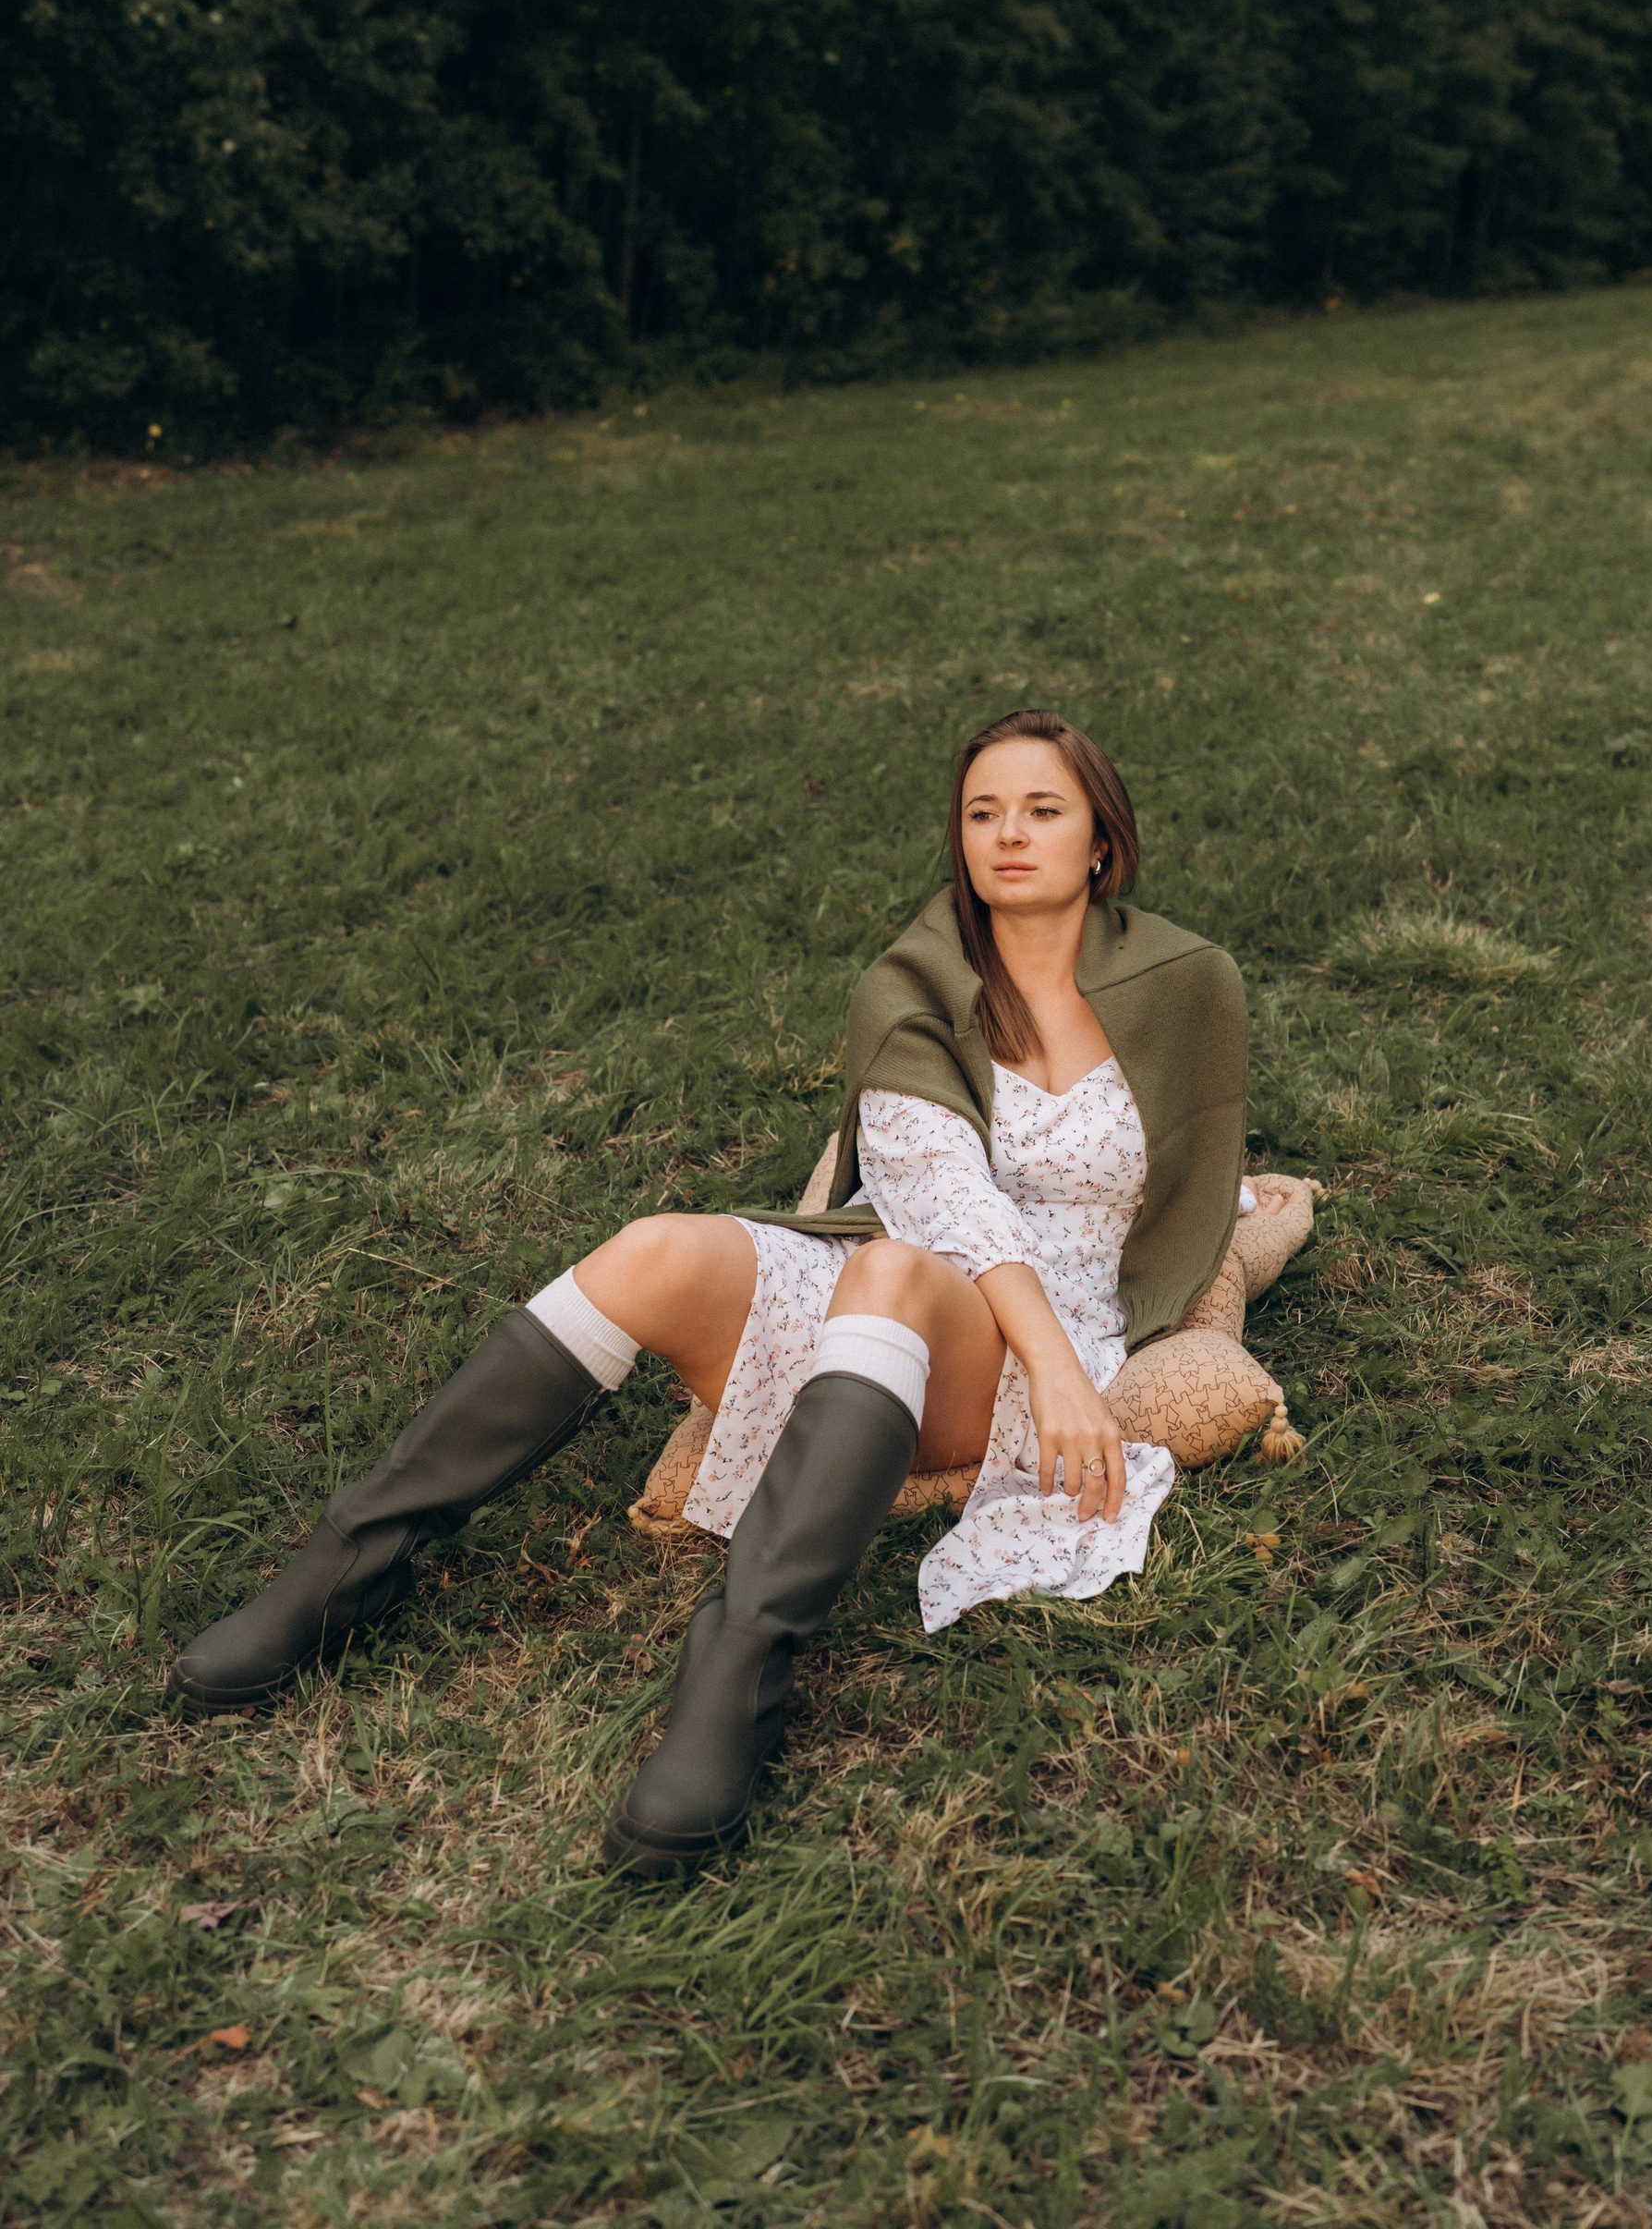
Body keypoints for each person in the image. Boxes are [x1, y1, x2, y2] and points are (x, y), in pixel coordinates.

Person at [169, 708, 1294, 1875]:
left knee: (891, 1273)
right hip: (916, 1281)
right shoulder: (912, 982)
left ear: (1101, 839)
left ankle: (741, 1669)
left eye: (1042, 809)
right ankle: (354, 1558)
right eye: (982, 812)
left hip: (1007, 1336)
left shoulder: (1187, 984)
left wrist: (1091, 1332)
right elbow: (940, 1192)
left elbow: (1189, 1158)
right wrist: (1053, 1369)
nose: (1008, 834)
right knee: (657, 1248)